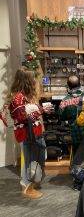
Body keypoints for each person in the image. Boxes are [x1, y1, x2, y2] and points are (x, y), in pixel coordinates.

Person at [6, 69, 52, 199]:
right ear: (26, 81)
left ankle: (31, 183)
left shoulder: (23, 96)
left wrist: (40, 110)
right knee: (31, 160)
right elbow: (22, 117)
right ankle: (27, 187)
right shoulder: (19, 98)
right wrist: (40, 110)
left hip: (33, 132)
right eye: (32, 79)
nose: (34, 82)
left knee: (34, 158)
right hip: (28, 134)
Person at [59, 75, 84, 157]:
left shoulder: (64, 101)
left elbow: (61, 117)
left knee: (77, 157)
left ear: (68, 85)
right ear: (80, 84)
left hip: (75, 133)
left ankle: (76, 168)